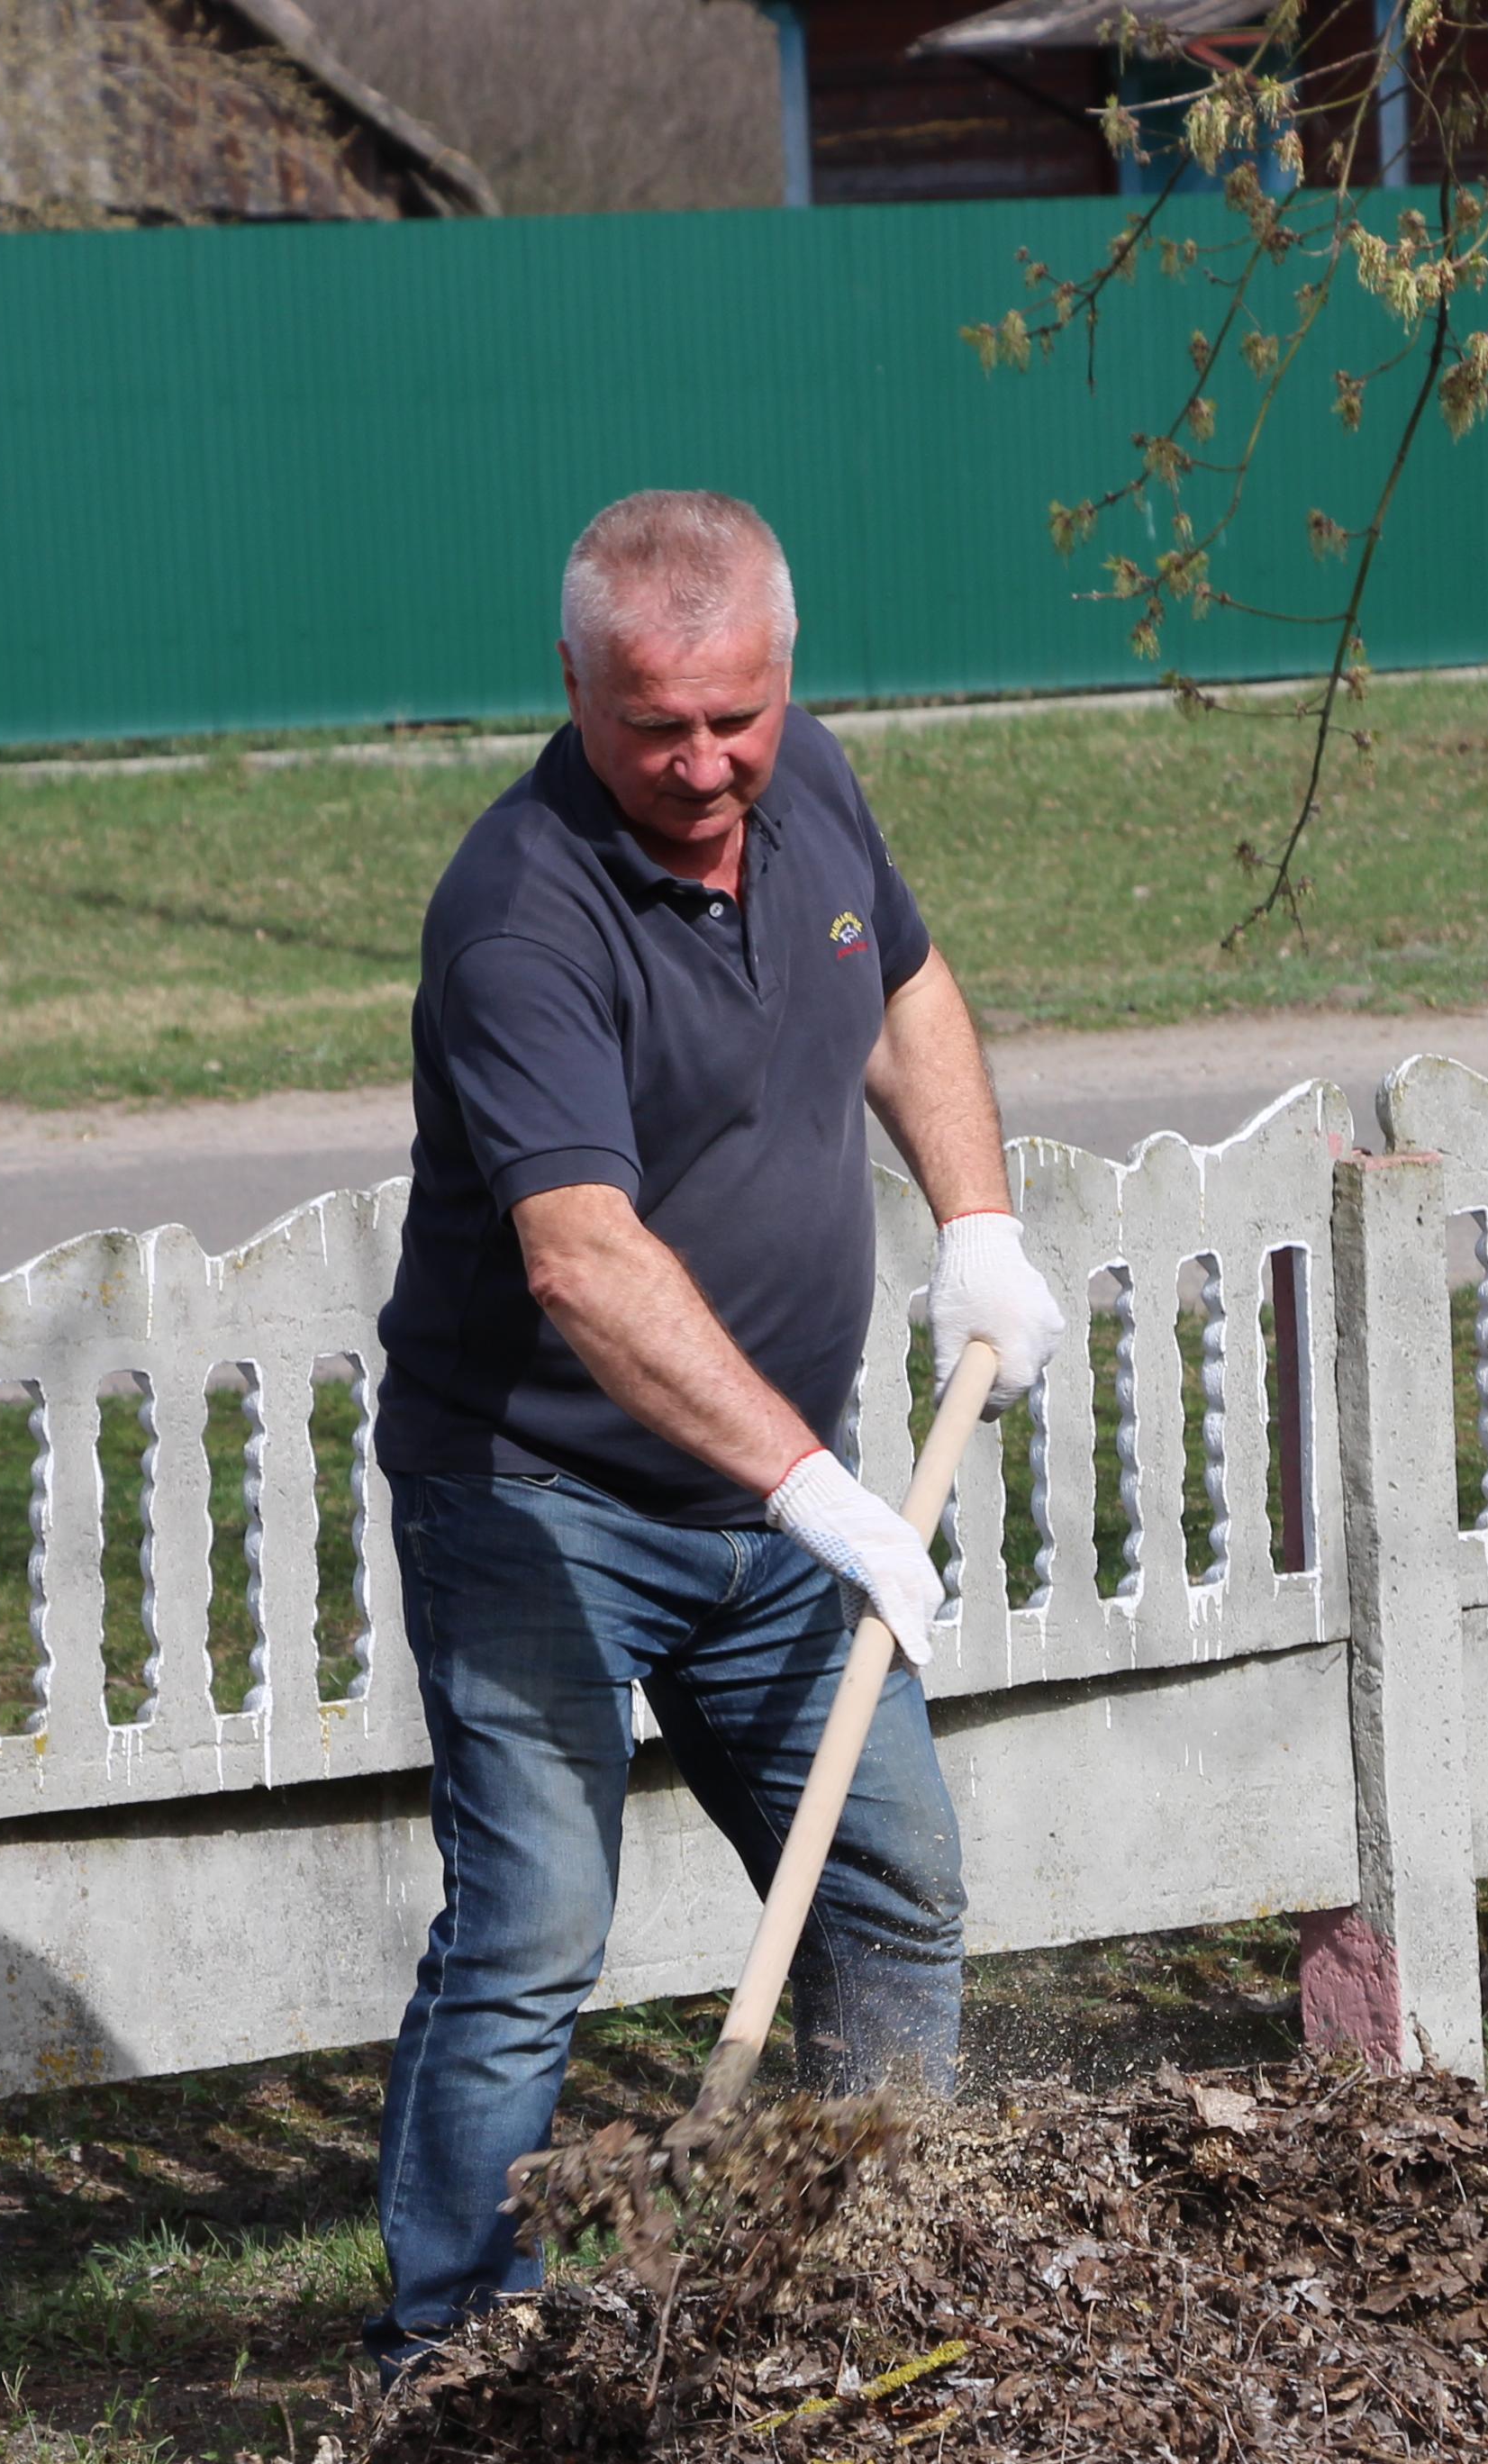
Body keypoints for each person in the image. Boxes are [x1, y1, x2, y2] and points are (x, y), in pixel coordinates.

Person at [363, 488, 1065, 2369]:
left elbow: (903, 990)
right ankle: (457, 2352)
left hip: (770, 1495)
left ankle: (858, 2280)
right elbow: (584, 1263)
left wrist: (976, 1224)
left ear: (785, 676)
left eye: (736, 716)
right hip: (540, 1497)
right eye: (654, 726)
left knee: (896, 1891)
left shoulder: (806, 782)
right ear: (575, 690)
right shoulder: (521, 912)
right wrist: (819, 1489)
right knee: (530, 1937)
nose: (702, 763)